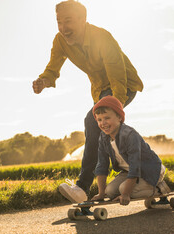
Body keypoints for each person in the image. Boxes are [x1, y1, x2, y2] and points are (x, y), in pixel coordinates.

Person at [32, 0, 144, 203]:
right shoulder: (60, 41)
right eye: (59, 22)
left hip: (124, 86)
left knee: (94, 122)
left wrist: (113, 110)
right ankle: (136, 173)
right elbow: (52, 69)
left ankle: (82, 187)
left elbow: (118, 77)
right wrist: (43, 81)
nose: (63, 28)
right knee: (104, 131)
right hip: (101, 91)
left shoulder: (102, 37)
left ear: (83, 20)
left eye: (69, 21)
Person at [90, 96, 171, 205]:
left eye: (107, 118)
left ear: (119, 117)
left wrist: (126, 194)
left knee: (124, 189)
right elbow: (102, 165)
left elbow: (135, 166)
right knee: (109, 192)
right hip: (129, 171)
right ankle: (133, 189)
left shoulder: (129, 135)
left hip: (150, 170)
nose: (102, 123)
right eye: (99, 120)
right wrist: (101, 193)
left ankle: (159, 188)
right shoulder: (103, 138)